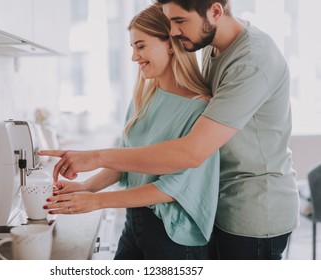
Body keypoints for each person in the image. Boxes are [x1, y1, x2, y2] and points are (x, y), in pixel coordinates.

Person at [39, 0, 300, 260]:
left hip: (252, 209)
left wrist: (95, 163)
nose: (174, 32)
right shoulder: (210, 48)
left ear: (215, 11)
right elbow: (140, 155)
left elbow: (191, 154)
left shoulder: (252, 61)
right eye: (170, 21)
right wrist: (88, 187)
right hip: (216, 204)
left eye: (179, 21)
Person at [43, 4, 220, 260]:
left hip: (174, 236)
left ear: (170, 43)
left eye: (141, 46)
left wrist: (98, 201)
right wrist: (87, 187)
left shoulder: (199, 109)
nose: (134, 57)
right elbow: (127, 159)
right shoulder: (144, 98)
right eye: (133, 48)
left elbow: (172, 189)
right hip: (136, 223)